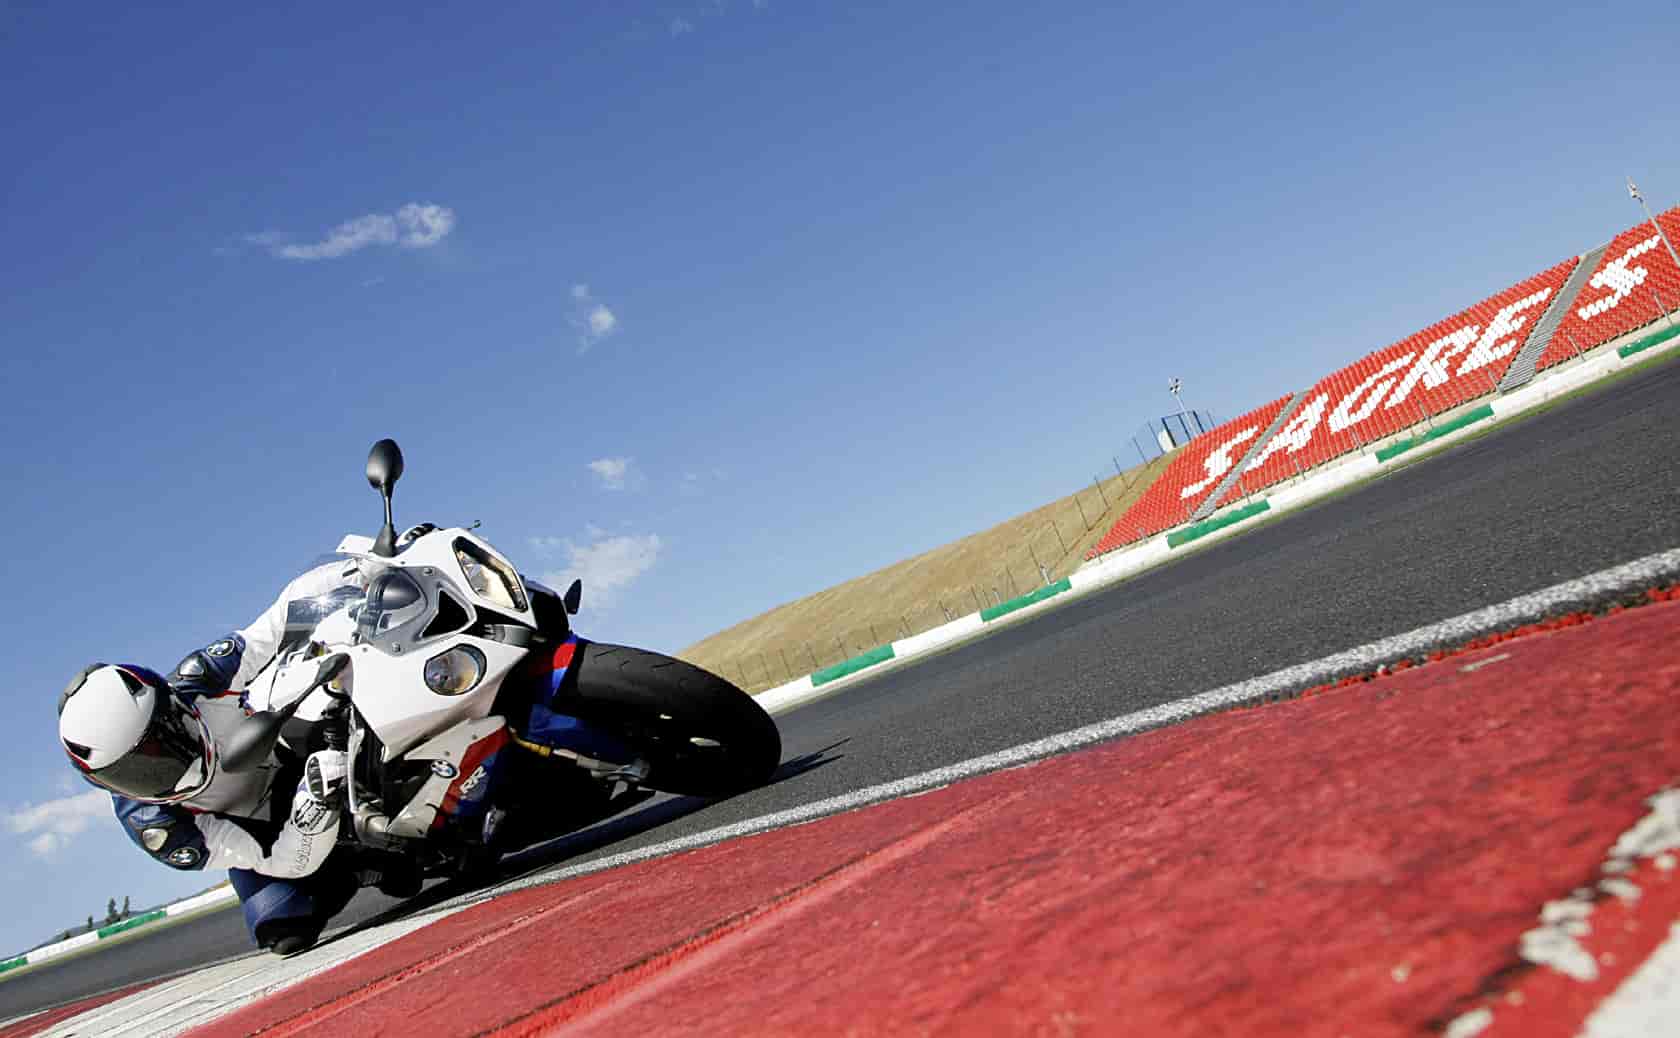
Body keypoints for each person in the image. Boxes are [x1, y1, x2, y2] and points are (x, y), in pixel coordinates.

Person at [57, 556, 418, 956]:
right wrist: (313, 808)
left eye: (162, 745)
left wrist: (355, 571)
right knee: (281, 926)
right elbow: (280, 861)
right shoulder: (158, 827)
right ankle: (362, 866)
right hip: (269, 826)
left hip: (300, 749)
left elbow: (284, 617)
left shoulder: (203, 677)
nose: (160, 771)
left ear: (174, 707)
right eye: (134, 772)